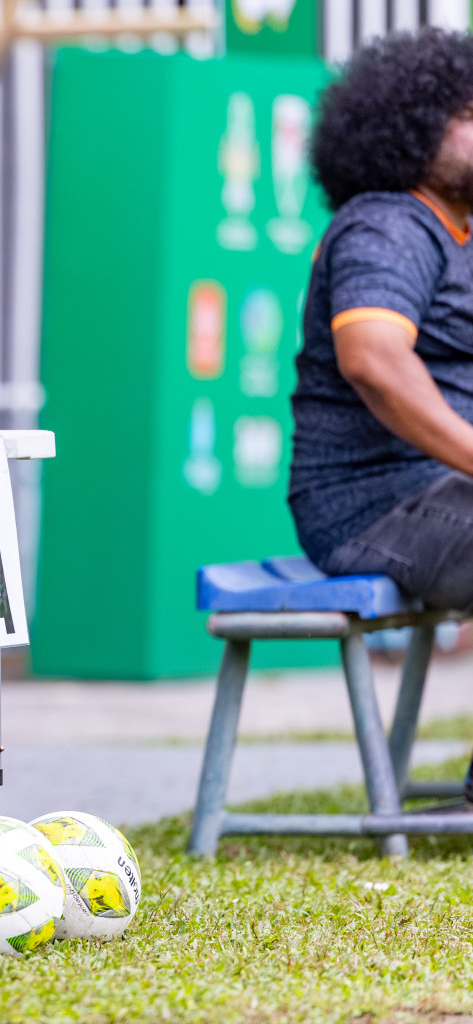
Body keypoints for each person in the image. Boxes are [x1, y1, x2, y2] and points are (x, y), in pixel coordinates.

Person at [290, 28, 473, 806]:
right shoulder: (389, 224)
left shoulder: (456, 236)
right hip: (375, 506)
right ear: (411, 126)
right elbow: (372, 357)